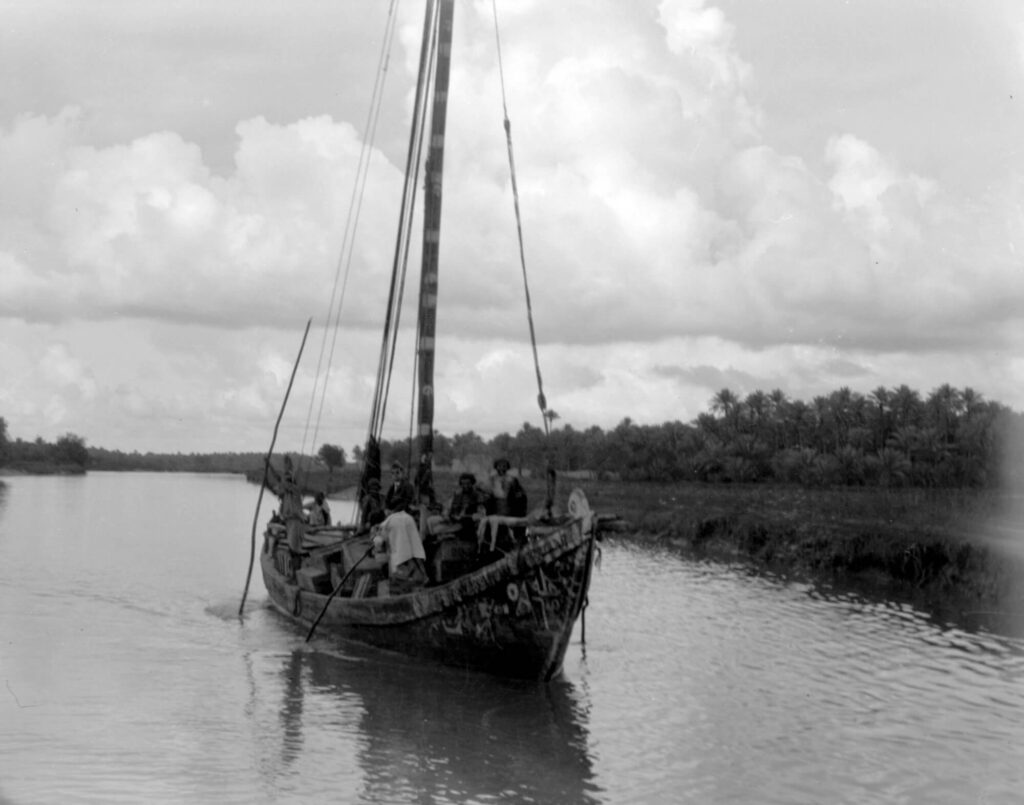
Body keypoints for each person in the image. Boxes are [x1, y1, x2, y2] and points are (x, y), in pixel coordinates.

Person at [373, 510, 427, 593]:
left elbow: (378, 542)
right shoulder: (409, 518)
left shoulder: (389, 521)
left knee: (398, 580)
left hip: (399, 559)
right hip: (413, 558)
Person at [265, 455, 305, 555]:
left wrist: (270, 466)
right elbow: (276, 489)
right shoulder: (285, 493)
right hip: (288, 521)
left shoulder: (295, 490)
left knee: (294, 548)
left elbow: (280, 480)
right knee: (289, 545)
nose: (285, 481)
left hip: (295, 522)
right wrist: (267, 482)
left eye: (287, 479)